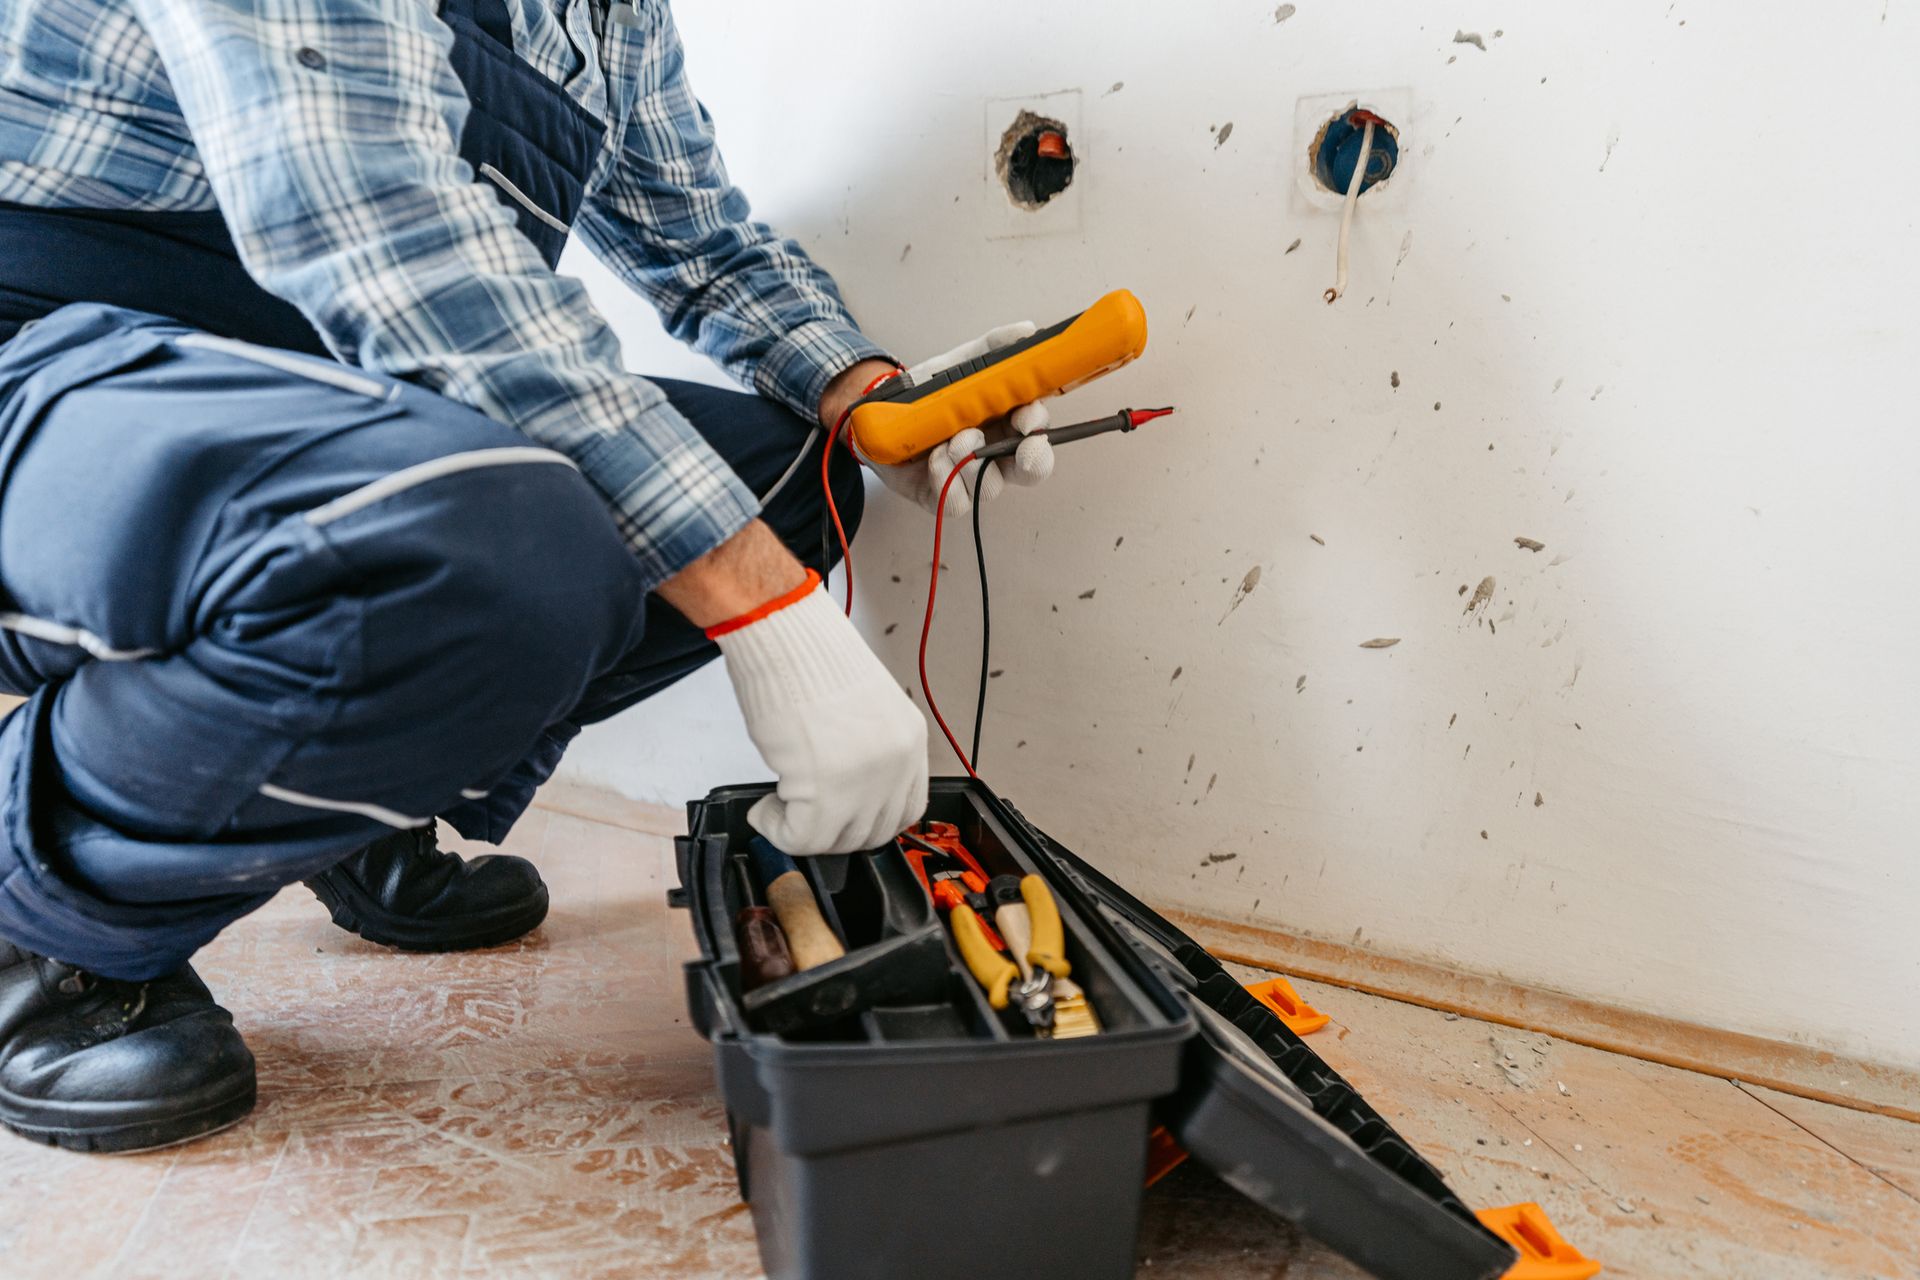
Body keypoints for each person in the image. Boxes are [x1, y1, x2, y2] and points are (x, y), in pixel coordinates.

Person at [0, 0, 1056, 1154]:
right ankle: (44, 929)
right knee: (492, 546)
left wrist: (868, 396)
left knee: (784, 476)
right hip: (51, 359)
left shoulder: (611, 15)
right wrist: (769, 611)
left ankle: (340, 806)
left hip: (326, 393)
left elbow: (698, 242)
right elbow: (365, 212)